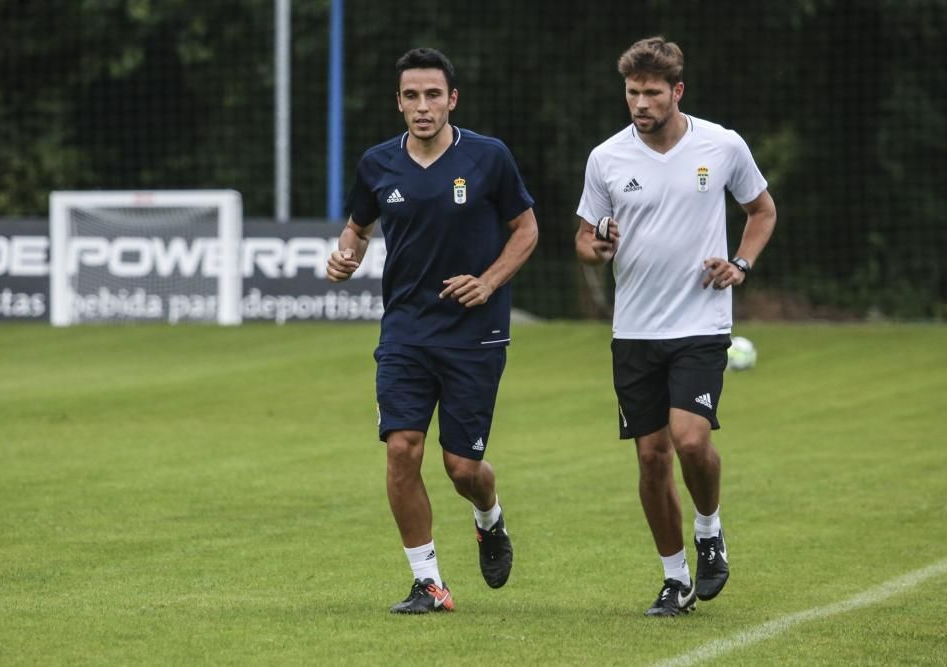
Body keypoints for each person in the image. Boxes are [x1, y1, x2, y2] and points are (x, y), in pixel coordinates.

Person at [327, 47, 538, 614]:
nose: (423, 107)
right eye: (412, 96)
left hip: (475, 332)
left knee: (462, 467)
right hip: (406, 332)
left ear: (452, 99)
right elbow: (357, 228)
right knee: (402, 449)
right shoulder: (377, 164)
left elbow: (526, 230)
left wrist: (489, 282)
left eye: (433, 95)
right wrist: (345, 255)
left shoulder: (489, 157)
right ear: (398, 102)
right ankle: (429, 583)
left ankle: (488, 516)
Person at [574, 36, 777, 617]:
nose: (640, 103)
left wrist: (740, 264)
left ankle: (709, 530)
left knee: (690, 441)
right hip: (634, 331)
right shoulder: (606, 158)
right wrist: (599, 247)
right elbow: (584, 243)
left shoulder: (722, 144)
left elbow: (762, 210)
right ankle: (674, 579)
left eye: (652, 93)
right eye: (633, 92)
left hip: (700, 322)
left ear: (676, 92)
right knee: (650, 458)